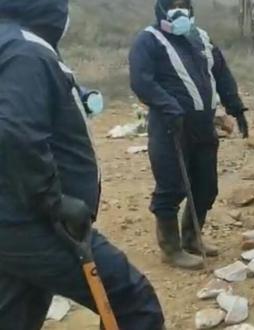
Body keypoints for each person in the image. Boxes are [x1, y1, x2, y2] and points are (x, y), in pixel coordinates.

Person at [0, 0, 164, 329]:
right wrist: (53, 201)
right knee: (130, 300)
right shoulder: (24, 51)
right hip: (31, 221)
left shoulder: (11, 42)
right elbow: (14, 131)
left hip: (13, 217)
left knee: (16, 311)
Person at [130, 0, 249, 269]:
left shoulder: (201, 37)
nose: (180, 10)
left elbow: (221, 73)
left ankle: (192, 237)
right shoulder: (148, 41)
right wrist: (168, 105)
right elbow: (141, 81)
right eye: (173, 5)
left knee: (206, 185)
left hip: (203, 124)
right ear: (162, 8)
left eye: (184, 4)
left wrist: (236, 106)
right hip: (170, 125)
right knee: (171, 186)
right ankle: (171, 248)